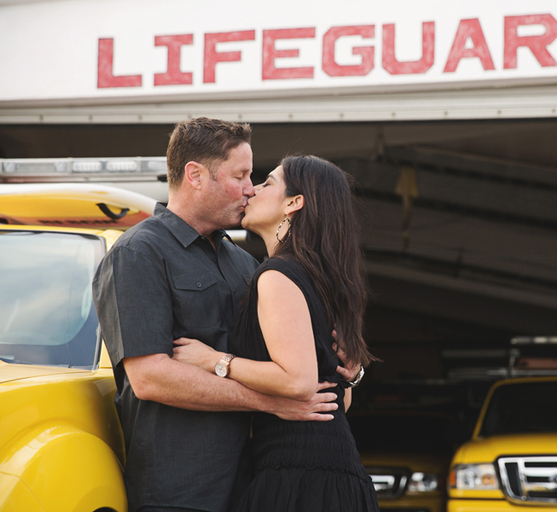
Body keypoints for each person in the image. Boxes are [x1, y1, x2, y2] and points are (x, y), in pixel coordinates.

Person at [93, 118, 355, 512]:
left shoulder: (247, 265)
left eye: (255, 178)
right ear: (195, 175)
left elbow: (296, 372)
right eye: (241, 176)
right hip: (180, 492)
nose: (250, 189)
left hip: (253, 484)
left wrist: (345, 368)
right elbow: (150, 377)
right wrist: (270, 403)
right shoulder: (139, 253)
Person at [171, 155, 379, 512]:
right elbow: (337, 400)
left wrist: (214, 360)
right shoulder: (323, 280)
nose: (252, 190)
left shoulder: (277, 275)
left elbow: (298, 382)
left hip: (297, 474)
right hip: (332, 469)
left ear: (293, 203)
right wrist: (351, 376)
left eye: (268, 183)